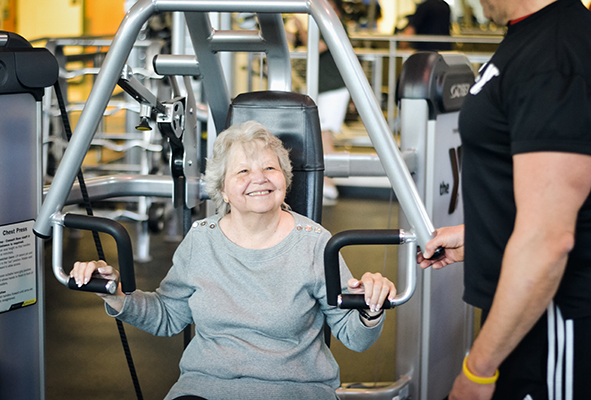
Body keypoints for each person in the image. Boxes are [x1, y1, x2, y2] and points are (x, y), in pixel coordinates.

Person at [71, 121, 396, 400]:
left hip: (292, 390)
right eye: (243, 171)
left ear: (284, 178)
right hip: (205, 390)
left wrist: (370, 308)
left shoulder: (314, 244)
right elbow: (168, 315)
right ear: (223, 190)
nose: (260, 178)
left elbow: (355, 337)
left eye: (270, 168)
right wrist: (114, 293)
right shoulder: (201, 240)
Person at [418, 0, 591, 399]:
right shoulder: (532, 37)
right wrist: (481, 237)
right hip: (525, 314)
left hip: (555, 323)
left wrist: (478, 370)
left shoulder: (555, 55)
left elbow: (548, 241)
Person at [289, 0, 349, 203]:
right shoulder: (323, 26)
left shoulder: (333, 25)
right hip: (326, 89)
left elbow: (315, 47)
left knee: (325, 136)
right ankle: (327, 184)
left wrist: (299, 27)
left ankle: (329, 185)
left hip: (334, 89)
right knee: (322, 135)